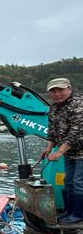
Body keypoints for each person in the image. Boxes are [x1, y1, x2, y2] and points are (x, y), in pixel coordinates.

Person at [40, 78, 83, 224]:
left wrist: (58, 152)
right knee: (68, 182)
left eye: (60, 90)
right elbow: (52, 131)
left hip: (81, 151)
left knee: (78, 182)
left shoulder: (78, 105)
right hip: (70, 152)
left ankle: (78, 214)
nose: (57, 94)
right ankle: (68, 211)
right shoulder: (54, 108)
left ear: (69, 89)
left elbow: (76, 133)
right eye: (53, 91)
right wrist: (49, 148)